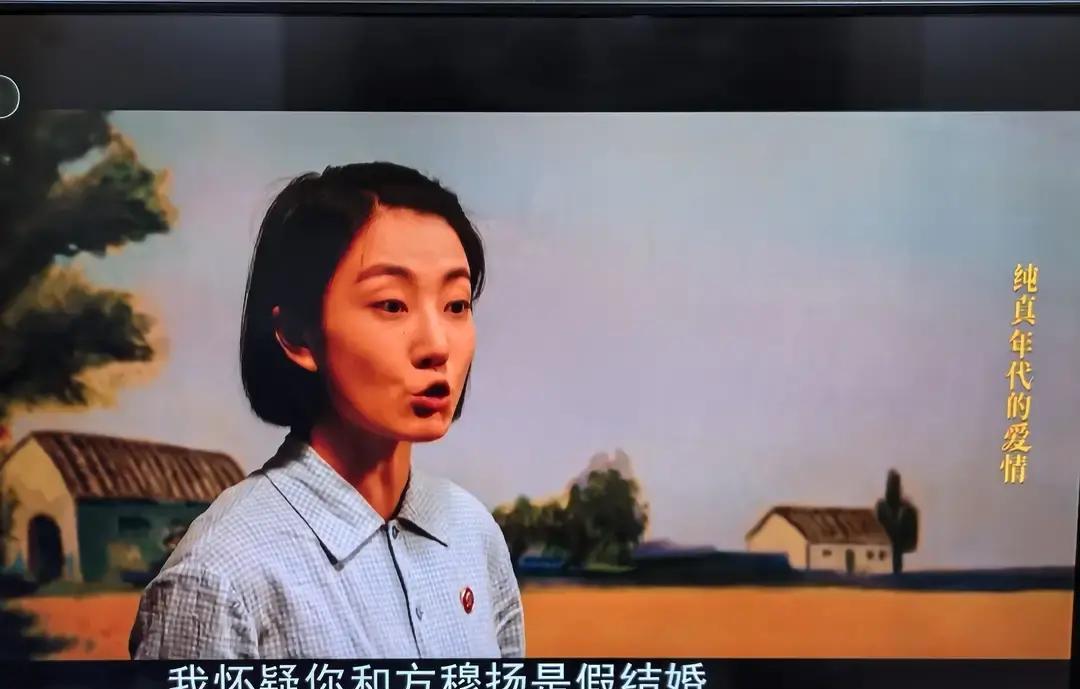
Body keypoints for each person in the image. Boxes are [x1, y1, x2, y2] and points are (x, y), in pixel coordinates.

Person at [129, 162, 524, 659]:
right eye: (392, 305)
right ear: (297, 334)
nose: (437, 346)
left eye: (456, 305)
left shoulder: (473, 533)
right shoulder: (220, 576)